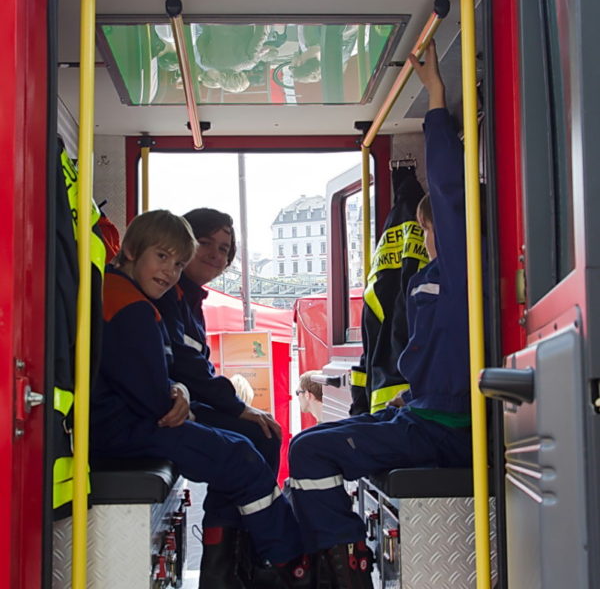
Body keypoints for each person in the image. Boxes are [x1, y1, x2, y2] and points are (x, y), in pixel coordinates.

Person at [287, 41, 475, 589]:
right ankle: (340, 558)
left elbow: (447, 188)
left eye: (432, 226)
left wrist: (436, 98)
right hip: (417, 416)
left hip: (446, 428)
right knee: (305, 446)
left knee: (311, 452)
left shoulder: (464, 272)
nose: (427, 236)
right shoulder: (424, 279)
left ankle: (344, 571)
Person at [90, 210, 310, 589]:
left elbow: (164, 376)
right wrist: (177, 398)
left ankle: (236, 565)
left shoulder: (138, 297)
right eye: (162, 257)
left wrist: (178, 393)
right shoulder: (134, 306)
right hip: (127, 426)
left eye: (176, 263)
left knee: (246, 446)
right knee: (239, 455)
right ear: (129, 250)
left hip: (134, 418)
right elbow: (161, 386)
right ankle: (288, 566)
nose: (169, 271)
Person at [152, 208, 286, 587]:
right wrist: (239, 408)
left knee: (262, 436)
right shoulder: (167, 293)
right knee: (255, 440)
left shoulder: (188, 299)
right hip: (168, 410)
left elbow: (195, 370)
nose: (215, 254)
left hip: (185, 402)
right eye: (204, 242)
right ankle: (244, 563)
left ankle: (228, 565)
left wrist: (238, 409)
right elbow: (189, 366)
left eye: (224, 248)